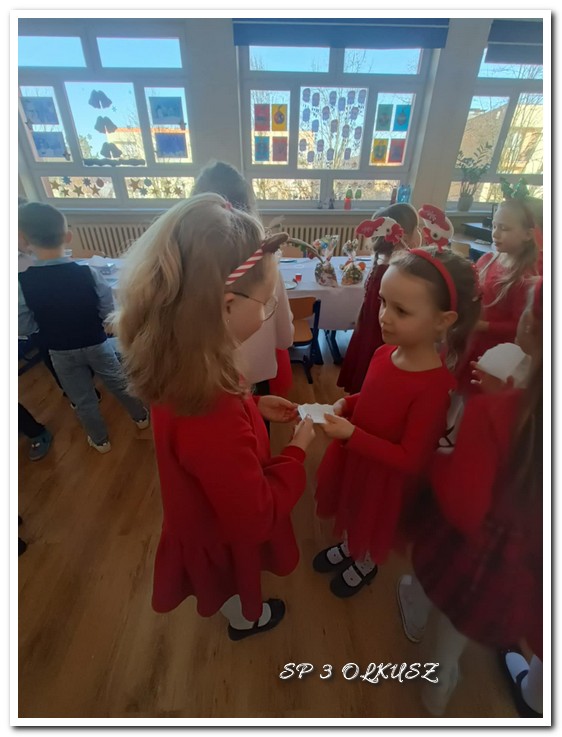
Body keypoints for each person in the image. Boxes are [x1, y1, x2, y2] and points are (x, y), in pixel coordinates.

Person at [113, 193, 315, 640]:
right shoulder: (210, 404)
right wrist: (297, 451)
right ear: (225, 305)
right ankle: (247, 620)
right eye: (265, 303)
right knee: (232, 582)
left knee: (227, 581)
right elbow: (255, 517)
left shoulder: (181, 361)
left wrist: (253, 406)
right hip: (219, 525)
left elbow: (203, 443)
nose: (265, 314)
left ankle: (239, 611)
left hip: (199, 508)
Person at [397, 278, 543, 716]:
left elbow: (463, 508)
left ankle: (436, 681)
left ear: (532, 327)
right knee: (465, 613)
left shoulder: (495, 413)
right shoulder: (514, 410)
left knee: (450, 599)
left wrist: (440, 463)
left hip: (479, 543)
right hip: (528, 555)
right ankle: (440, 681)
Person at [313, 243, 481, 598]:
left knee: (371, 519)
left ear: (443, 321)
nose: (384, 317)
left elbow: (411, 458)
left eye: (401, 310)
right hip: (358, 459)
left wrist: (352, 435)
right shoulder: (383, 352)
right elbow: (373, 394)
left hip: (384, 478)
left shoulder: (434, 387)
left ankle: (365, 561)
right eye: (383, 302)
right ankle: (350, 545)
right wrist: (348, 403)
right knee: (352, 507)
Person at [18, 202, 148, 454]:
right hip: (96, 342)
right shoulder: (88, 273)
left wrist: (44, 326)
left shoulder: (22, 282)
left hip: (59, 350)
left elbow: (24, 323)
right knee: (118, 382)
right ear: (68, 237)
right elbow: (105, 306)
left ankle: (100, 440)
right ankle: (140, 417)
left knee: (82, 398)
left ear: (24, 241)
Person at [192, 161, 294, 399]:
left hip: (202, 384)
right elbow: (285, 338)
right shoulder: (264, 267)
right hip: (252, 379)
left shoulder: (183, 270)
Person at [456, 197, 541, 395]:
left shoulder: (525, 278)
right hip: (470, 342)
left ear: (528, 234)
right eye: (494, 225)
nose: (495, 233)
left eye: (504, 228)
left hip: (494, 355)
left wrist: (482, 325)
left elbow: (519, 327)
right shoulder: (487, 259)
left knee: (475, 398)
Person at [337, 203, 422, 394]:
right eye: (417, 228)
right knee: (375, 389)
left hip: (372, 336)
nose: (420, 233)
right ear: (403, 236)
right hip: (381, 341)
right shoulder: (395, 273)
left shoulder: (384, 267)